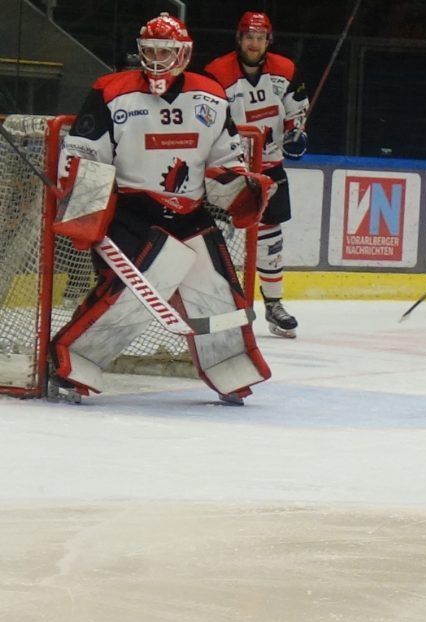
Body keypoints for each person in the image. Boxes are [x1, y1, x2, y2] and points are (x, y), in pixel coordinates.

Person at [50, 13, 275, 404]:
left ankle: (230, 367)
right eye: (150, 50)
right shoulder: (110, 90)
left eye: (165, 51)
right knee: (129, 296)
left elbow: (226, 157)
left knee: (218, 293)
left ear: (183, 53)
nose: (156, 59)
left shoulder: (211, 94)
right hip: (135, 210)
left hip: (191, 211)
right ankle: (72, 365)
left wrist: (239, 187)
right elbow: (85, 153)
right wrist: (84, 209)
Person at [204, 11, 309, 338]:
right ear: (239, 38)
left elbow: (296, 113)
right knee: (211, 238)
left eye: (260, 37)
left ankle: (274, 305)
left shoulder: (286, 70)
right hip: (227, 168)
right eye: (248, 36)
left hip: (270, 166)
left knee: (270, 241)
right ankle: (216, 307)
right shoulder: (216, 72)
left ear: (268, 40)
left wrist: (296, 134)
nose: (253, 42)